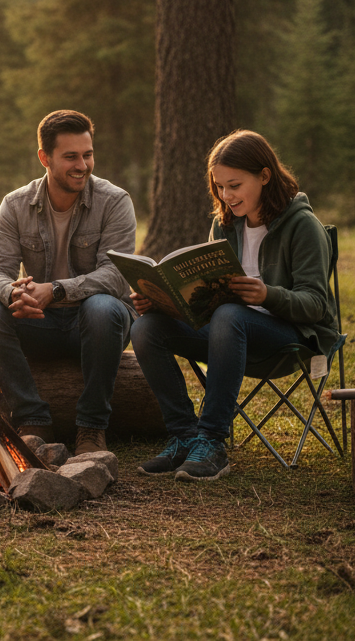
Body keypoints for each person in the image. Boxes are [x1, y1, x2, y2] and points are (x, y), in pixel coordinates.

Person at [130, 130, 339, 481]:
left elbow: (317, 305)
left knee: (230, 315)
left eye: (235, 185)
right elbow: (212, 300)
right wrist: (165, 303)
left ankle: (212, 442)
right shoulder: (226, 224)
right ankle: (185, 436)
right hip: (229, 333)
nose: (226, 196)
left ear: (264, 176)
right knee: (147, 328)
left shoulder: (302, 226)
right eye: (220, 187)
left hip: (290, 338)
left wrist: (266, 294)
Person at [0, 110, 137, 455]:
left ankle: (92, 427)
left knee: (103, 306)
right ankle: (33, 419)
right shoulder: (15, 205)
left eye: (88, 154)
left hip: (94, 323)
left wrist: (57, 290)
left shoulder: (114, 201)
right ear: (44, 158)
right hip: (40, 322)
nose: (82, 165)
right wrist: (14, 293)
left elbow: (116, 275)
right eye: (71, 157)